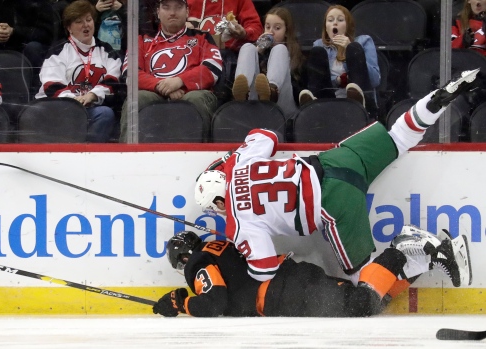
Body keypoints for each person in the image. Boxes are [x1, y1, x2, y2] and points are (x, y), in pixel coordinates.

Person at [193, 68, 480, 284]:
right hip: (337, 160)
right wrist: (228, 161)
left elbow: (264, 269)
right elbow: (265, 135)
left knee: (364, 283)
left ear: (219, 198)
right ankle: (437, 99)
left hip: (334, 203)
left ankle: (420, 247)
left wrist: (236, 253)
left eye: (215, 206)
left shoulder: (237, 222)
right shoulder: (241, 162)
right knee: (398, 139)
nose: (218, 212)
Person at [152, 227, 471, 317]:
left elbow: (215, 301)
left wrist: (181, 302)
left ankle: (402, 247)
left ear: (183, 259)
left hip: (283, 294)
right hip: (292, 281)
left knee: (360, 305)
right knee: (370, 306)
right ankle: (429, 259)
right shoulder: (224, 247)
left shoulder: (198, 262)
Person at [120, 0, 223, 142]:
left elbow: (213, 68)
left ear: (187, 11)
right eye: (166, 7)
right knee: (136, 99)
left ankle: (201, 155)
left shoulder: (202, 37)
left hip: (191, 93)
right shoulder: (142, 39)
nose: (172, 13)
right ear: (158, 12)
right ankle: (128, 156)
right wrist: (161, 86)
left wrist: (180, 82)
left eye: (178, 7)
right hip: (154, 92)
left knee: (197, 99)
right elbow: (129, 72)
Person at [35, 0, 121, 143]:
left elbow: (114, 79)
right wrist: (73, 101)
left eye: (89, 20)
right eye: (79, 22)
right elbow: (51, 83)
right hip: (61, 108)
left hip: (90, 109)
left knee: (105, 113)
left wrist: (93, 95)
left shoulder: (106, 50)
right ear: (69, 28)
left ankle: (88, 155)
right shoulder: (59, 50)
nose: (86, 25)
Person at [299, 5, 380, 118]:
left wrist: (349, 49)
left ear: (348, 26)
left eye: (340, 20)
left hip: (362, 99)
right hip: (330, 99)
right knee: (317, 51)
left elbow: (375, 80)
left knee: (354, 48)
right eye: (330, 20)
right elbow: (319, 79)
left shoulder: (364, 41)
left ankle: (357, 100)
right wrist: (338, 80)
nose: (335, 23)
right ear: (326, 28)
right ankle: (315, 102)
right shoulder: (319, 45)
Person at [231, 7, 304, 118]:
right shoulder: (259, 52)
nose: (271, 32)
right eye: (268, 27)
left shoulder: (295, 54)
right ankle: (241, 94)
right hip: (255, 106)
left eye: (277, 28)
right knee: (247, 47)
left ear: (286, 32)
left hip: (283, 108)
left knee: (280, 49)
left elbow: (299, 90)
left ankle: (272, 90)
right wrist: (258, 51)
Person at [0, 0, 56, 93]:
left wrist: (15, 32)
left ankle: (36, 90)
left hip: (24, 46)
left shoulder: (37, 3)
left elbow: (47, 34)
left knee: (34, 48)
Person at [185, 0, 262, 53]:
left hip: (229, 54)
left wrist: (245, 33)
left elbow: (255, 27)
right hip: (192, 52)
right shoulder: (184, 2)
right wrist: (181, 27)